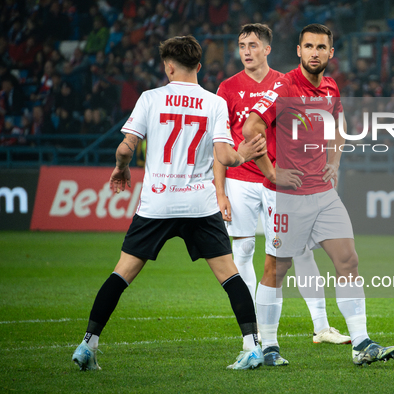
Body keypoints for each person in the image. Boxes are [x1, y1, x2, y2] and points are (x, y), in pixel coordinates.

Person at [71, 36, 268, 372]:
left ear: (169, 66)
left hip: (157, 203)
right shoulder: (213, 102)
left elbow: (123, 149)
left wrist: (121, 170)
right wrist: (244, 154)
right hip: (199, 204)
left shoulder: (150, 99)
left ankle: (88, 344)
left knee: (121, 273)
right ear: (199, 66)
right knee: (230, 275)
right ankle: (252, 347)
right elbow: (225, 156)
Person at [243, 24, 394, 366]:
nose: (315, 52)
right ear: (298, 51)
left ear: (331, 54)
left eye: (321, 47)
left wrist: (335, 162)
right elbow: (251, 127)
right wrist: (270, 172)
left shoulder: (331, 87)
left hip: (323, 193)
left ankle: (361, 343)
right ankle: (267, 346)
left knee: (348, 260)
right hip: (287, 196)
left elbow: (339, 127)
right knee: (276, 268)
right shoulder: (283, 86)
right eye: (309, 46)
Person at [213, 23, 351, 367]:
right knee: (244, 250)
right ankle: (253, 329)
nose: (247, 51)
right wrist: (220, 191)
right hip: (242, 180)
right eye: (242, 45)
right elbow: (219, 144)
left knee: (298, 251)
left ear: (267, 49)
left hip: (280, 180)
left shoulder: (281, 83)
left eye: (253, 45)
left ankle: (321, 325)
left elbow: (333, 128)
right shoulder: (227, 88)